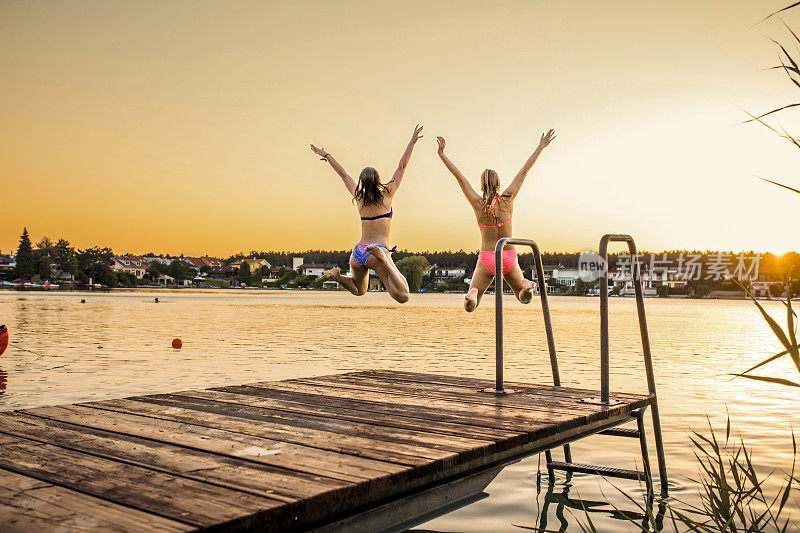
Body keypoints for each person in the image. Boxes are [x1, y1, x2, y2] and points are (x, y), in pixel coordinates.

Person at [436, 129, 556, 311]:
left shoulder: (477, 203)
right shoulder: (508, 198)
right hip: (508, 256)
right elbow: (524, 171)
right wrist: (540, 147)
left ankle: (473, 293)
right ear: (499, 183)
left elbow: (459, 178)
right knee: (522, 298)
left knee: (471, 306)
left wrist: (441, 154)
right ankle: (525, 286)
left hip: (487, 258)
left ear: (482, 185)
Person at [309, 125, 423, 303]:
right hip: (377, 252)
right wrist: (412, 142)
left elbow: (343, 174)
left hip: (358, 252)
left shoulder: (358, 196)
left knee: (359, 290)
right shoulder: (388, 194)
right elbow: (402, 167)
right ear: (378, 179)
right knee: (403, 296)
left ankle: (337, 276)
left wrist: (326, 155)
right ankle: (385, 261)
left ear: (361, 182)